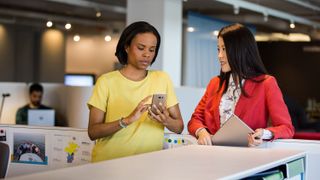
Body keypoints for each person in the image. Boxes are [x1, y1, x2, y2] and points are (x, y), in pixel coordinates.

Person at [87, 21, 184, 162]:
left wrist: (166, 120)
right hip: (110, 164)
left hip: (148, 164)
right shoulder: (106, 81)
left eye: (152, 50)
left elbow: (179, 126)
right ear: (126, 46)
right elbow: (93, 132)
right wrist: (127, 120)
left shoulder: (162, 79)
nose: (147, 55)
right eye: (141, 48)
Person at [188, 23, 294, 147]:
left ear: (240, 50)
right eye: (218, 49)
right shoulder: (215, 84)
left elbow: (287, 128)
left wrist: (264, 133)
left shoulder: (266, 83)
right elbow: (195, 119)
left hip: (248, 157)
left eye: (224, 49)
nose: (219, 55)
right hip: (215, 156)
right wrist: (201, 132)